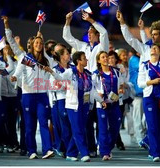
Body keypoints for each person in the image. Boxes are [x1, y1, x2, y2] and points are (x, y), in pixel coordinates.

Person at [2, 16, 55, 159]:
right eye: (36, 42)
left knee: (44, 122)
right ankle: (31, 150)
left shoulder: (46, 60)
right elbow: (18, 71)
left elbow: (54, 71)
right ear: (32, 45)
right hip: (28, 96)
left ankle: (47, 149)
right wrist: (15, 77)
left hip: (42, 95)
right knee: (30, 126)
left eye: (40, 42)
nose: (39, 44)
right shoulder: (26, 58)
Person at [44, 51, 107, 162]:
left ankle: (70, 153)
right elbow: (60, 78)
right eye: (84, 58)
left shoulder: (88, 74)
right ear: (78, 61)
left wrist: (101, 100)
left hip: (85, 105)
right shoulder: (70, 72)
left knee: (80, 129)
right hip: (73, 106)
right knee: (78, 130)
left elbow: (92, 90)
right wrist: (51, 72)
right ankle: (84, 153)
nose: (87, 60)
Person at [63, 11, 109, 156]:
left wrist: (91, 21)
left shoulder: (101, 47)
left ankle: (103, 148)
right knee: (86, 120)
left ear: (96, 35)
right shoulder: (82, 46)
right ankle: (90, 148)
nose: (89, 34)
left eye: (92, 32)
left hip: (99, 84)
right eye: (88, 32)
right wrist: (67, 22)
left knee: (101, 119)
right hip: (85, 86)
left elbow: (105, 33)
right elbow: (67, 37)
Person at [137, 43, 160, 162]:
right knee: (152, 125)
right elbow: (140, 83)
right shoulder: (145, 65)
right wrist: (152, 82)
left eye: (155, 48)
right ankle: (155, 153)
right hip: (150, 98)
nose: (153, 49)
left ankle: (156, 151)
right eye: (152, 48)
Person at [92, 51, 122, 161]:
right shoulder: (95, 74)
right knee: (103, 128)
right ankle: (104, 152)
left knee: (115, 128)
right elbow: (92, 90)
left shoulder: (116, 72)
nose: (105, 59)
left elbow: (121, 85)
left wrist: (120, 90)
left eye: (106, 57)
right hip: (102, 105)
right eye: (103, 57)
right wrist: (100, 99)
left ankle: (108, 148)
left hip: (114, 103)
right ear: (99, 60)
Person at [49, 47, 74, 157]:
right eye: (67, 53)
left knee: (72, 125)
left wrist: (64, 84)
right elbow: (53, 86)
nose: (69, 55)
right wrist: (68, 85)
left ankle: (66, 148)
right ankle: (65, 148)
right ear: (61, 57)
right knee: (64, 125)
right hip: (61, 99)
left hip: (73, 99)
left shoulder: (73, 68)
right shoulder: (55, 70)